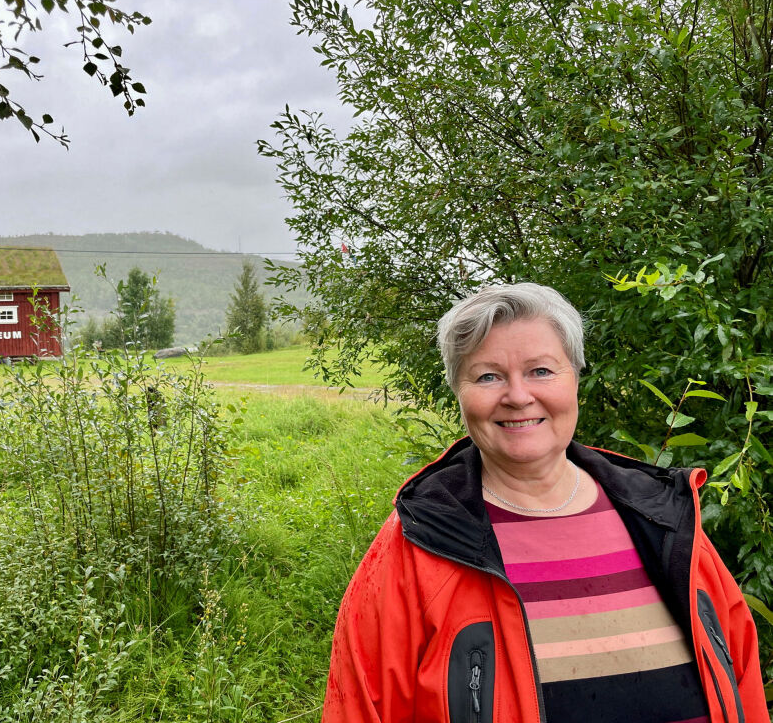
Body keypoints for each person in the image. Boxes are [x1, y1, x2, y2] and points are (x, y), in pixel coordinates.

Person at [322, 283, 767, 723]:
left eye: (540, 371)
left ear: (576, 378)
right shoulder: (419, 542)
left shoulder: (661, 518)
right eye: (488, 376)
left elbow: (741, 675)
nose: (518, 396)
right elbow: (360, 706)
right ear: (459, 392)